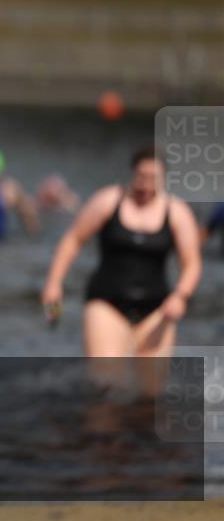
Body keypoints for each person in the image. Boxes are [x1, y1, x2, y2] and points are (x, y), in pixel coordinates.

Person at [41, 145, 201, 395]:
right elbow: (73, 240)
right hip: (106, 304)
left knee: (151, 395)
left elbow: (191, 264)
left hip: (157, 310)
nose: (146, 186)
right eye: (141, 177)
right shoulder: (108, 201)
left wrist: (181, 296)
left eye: (153, 179)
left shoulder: (178, 213)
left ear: (164, 179)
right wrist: (53, 283)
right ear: (131, 173)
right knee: (106, 386)